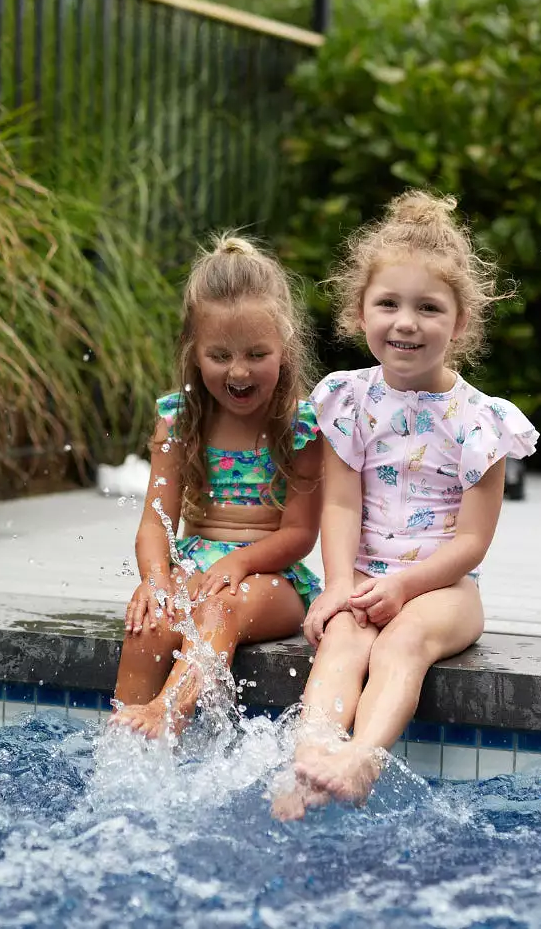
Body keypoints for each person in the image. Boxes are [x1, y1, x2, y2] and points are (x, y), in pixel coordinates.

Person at [281, 189, 538, 813]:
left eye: (428, 308)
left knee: (400, 644)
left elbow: (473, 541)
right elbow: (340, 506)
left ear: (460, 322)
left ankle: (362, 757)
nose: (406, 322)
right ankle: (309, 762)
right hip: (366, 578)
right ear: (358, 312)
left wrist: (406, 588)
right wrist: (339, 584)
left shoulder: (479, 422)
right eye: (388, 303)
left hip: (445, 591)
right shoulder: (350, 400)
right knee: (343, 640)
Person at [112, 235, 322, 739]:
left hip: (273, 576)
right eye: (220, 355)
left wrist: (239, 562)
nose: (239, 370)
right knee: (151, 620)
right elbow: (154, 523)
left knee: (219, 607)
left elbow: (299, 533)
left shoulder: (302, 426)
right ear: (194, 351)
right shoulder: (179, 421)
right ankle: (120, 742)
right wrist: (156, 579)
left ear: (284, 347)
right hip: (197, 562)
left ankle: (170, 714)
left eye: (256, 353)